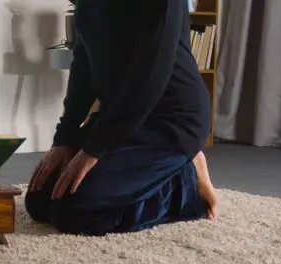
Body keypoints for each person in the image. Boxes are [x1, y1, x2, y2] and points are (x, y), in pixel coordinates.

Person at [25, 0, 217, 236]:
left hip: (171, 120)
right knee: (39, 200)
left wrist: (95, 149)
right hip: (117, 114)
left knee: (74, 213)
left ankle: (184, 182)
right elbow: (83, 67)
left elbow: (150, 77)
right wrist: (65, 139)